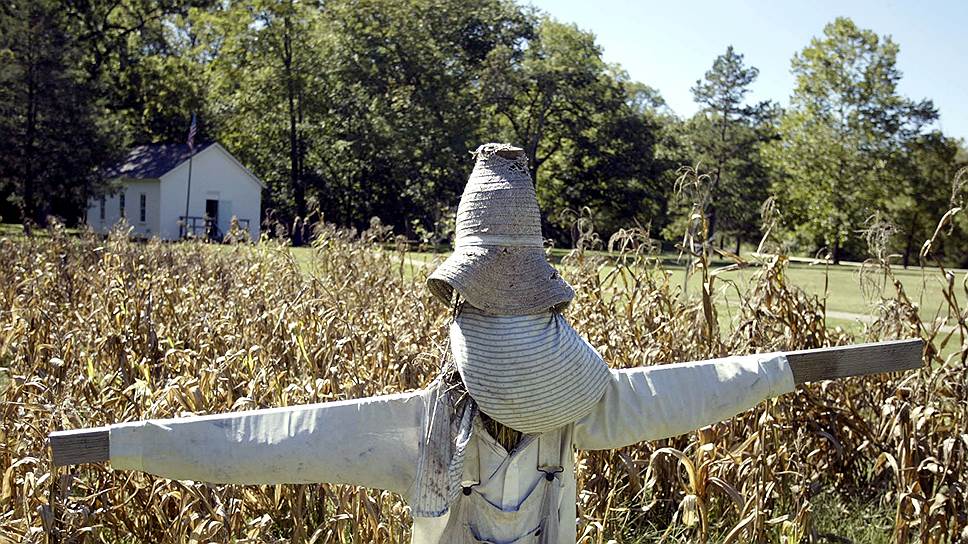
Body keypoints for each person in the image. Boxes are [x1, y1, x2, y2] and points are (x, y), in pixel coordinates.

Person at [107, 144, 796, 543]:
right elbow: (270, 441)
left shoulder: (580, 411)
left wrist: (785, 369)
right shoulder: (420, 426)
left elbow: (692, 389)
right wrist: (123, 446)